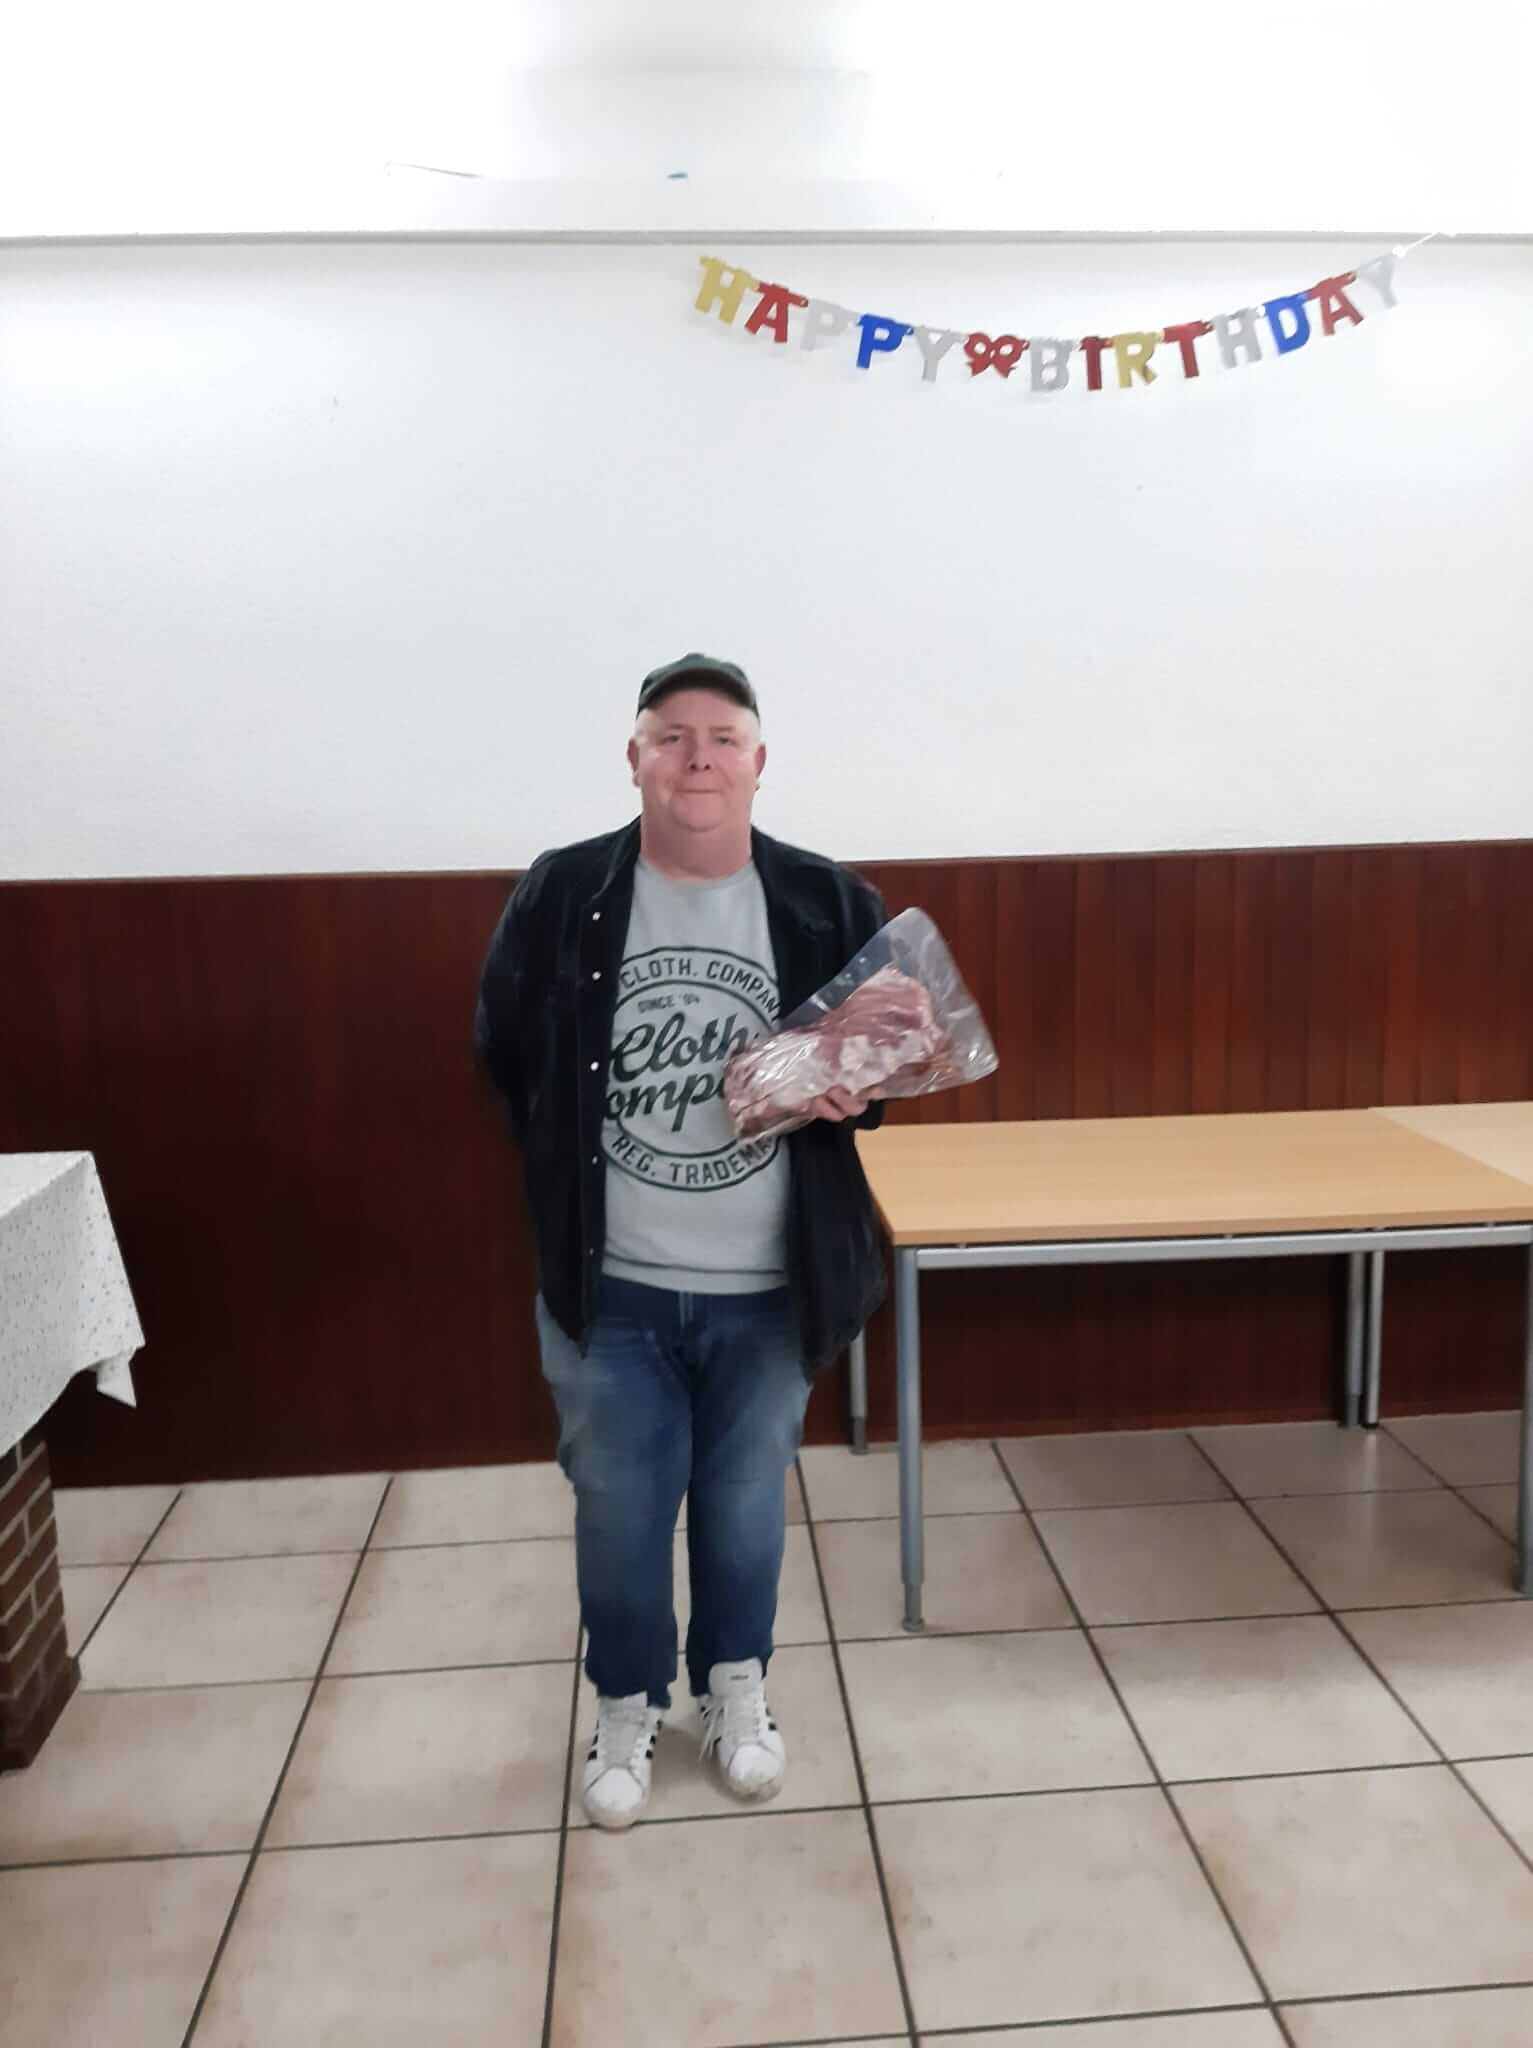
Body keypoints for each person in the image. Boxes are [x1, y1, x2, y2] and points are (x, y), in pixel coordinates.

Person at [473, 653, 888, 1828]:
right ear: (635, 757)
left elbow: (881, 1070)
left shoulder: (827, 900)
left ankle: (735, 1685)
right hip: (612, 1286)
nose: (697, 756)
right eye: (671, 736)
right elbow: (503, 1047)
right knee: (617, 1507)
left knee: (746, 1503)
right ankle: (624, 1699)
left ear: (758, 760)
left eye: (721, 737)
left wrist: (856, 1094)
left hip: (770, 1284)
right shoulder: (564, 890)